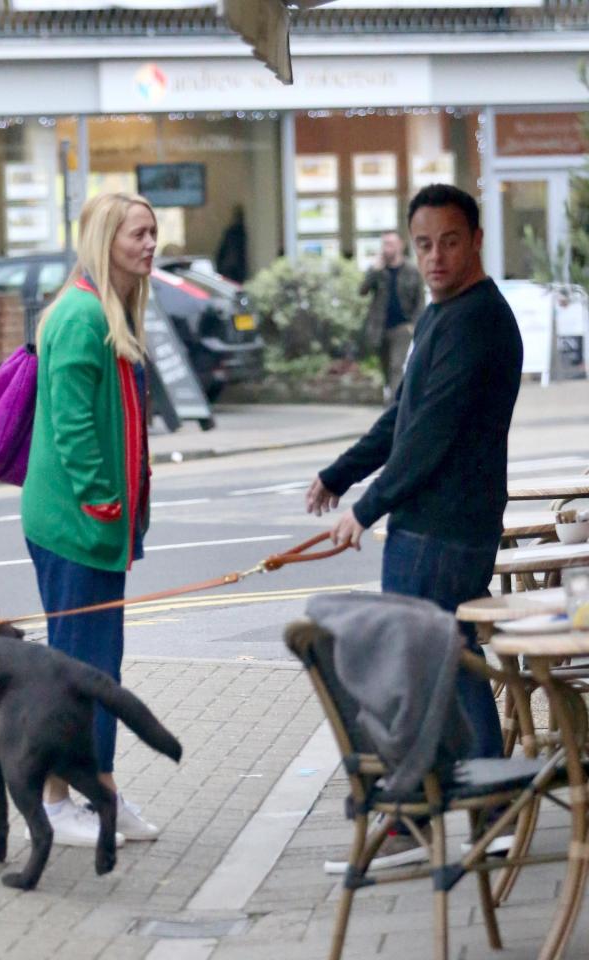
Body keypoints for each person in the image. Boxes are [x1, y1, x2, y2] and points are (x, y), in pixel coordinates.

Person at [306, 183, 523, 870]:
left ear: (477, 240)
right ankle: (489, 815)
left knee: (420, 672)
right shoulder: (444, 314)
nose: (434, 256)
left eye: (449, 242)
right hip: (437, 527)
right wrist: (341, 472)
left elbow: (429, 437)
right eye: (424, 243)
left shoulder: (477, 320)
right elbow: (401, 419)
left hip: (443, 531)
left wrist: (364, 510)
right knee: (452, 664)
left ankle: (421, 823)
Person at [21, 192, 159, 847]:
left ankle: (98, 791)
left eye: (153, 233)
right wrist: (104, 500)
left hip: (97, 530)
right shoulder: (81, 314)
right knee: (77, 667)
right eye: (137, 234)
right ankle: (55, 801)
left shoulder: (110, 309)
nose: (150, 244)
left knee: (96, 665)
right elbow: (73, 423)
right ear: (106, 240)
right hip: (78, 527)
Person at [359, 230, 425, 402]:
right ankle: (392, 400)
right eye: (385, 244)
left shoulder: (411, 270)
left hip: (402, 327)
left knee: (397, 366)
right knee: (386, 369)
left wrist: (414, 326)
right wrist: (374, 270)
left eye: (390, 244)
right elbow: (362, 291)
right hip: (380, 327)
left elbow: (420, 301)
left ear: (400, 246)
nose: (387, 248)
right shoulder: (378, 270)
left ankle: (393, 409)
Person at [215, 204, 248, 283]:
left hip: (231, 266)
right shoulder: (236, 231)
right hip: (234, 266)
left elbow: (222, 249)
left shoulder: (233, 231)